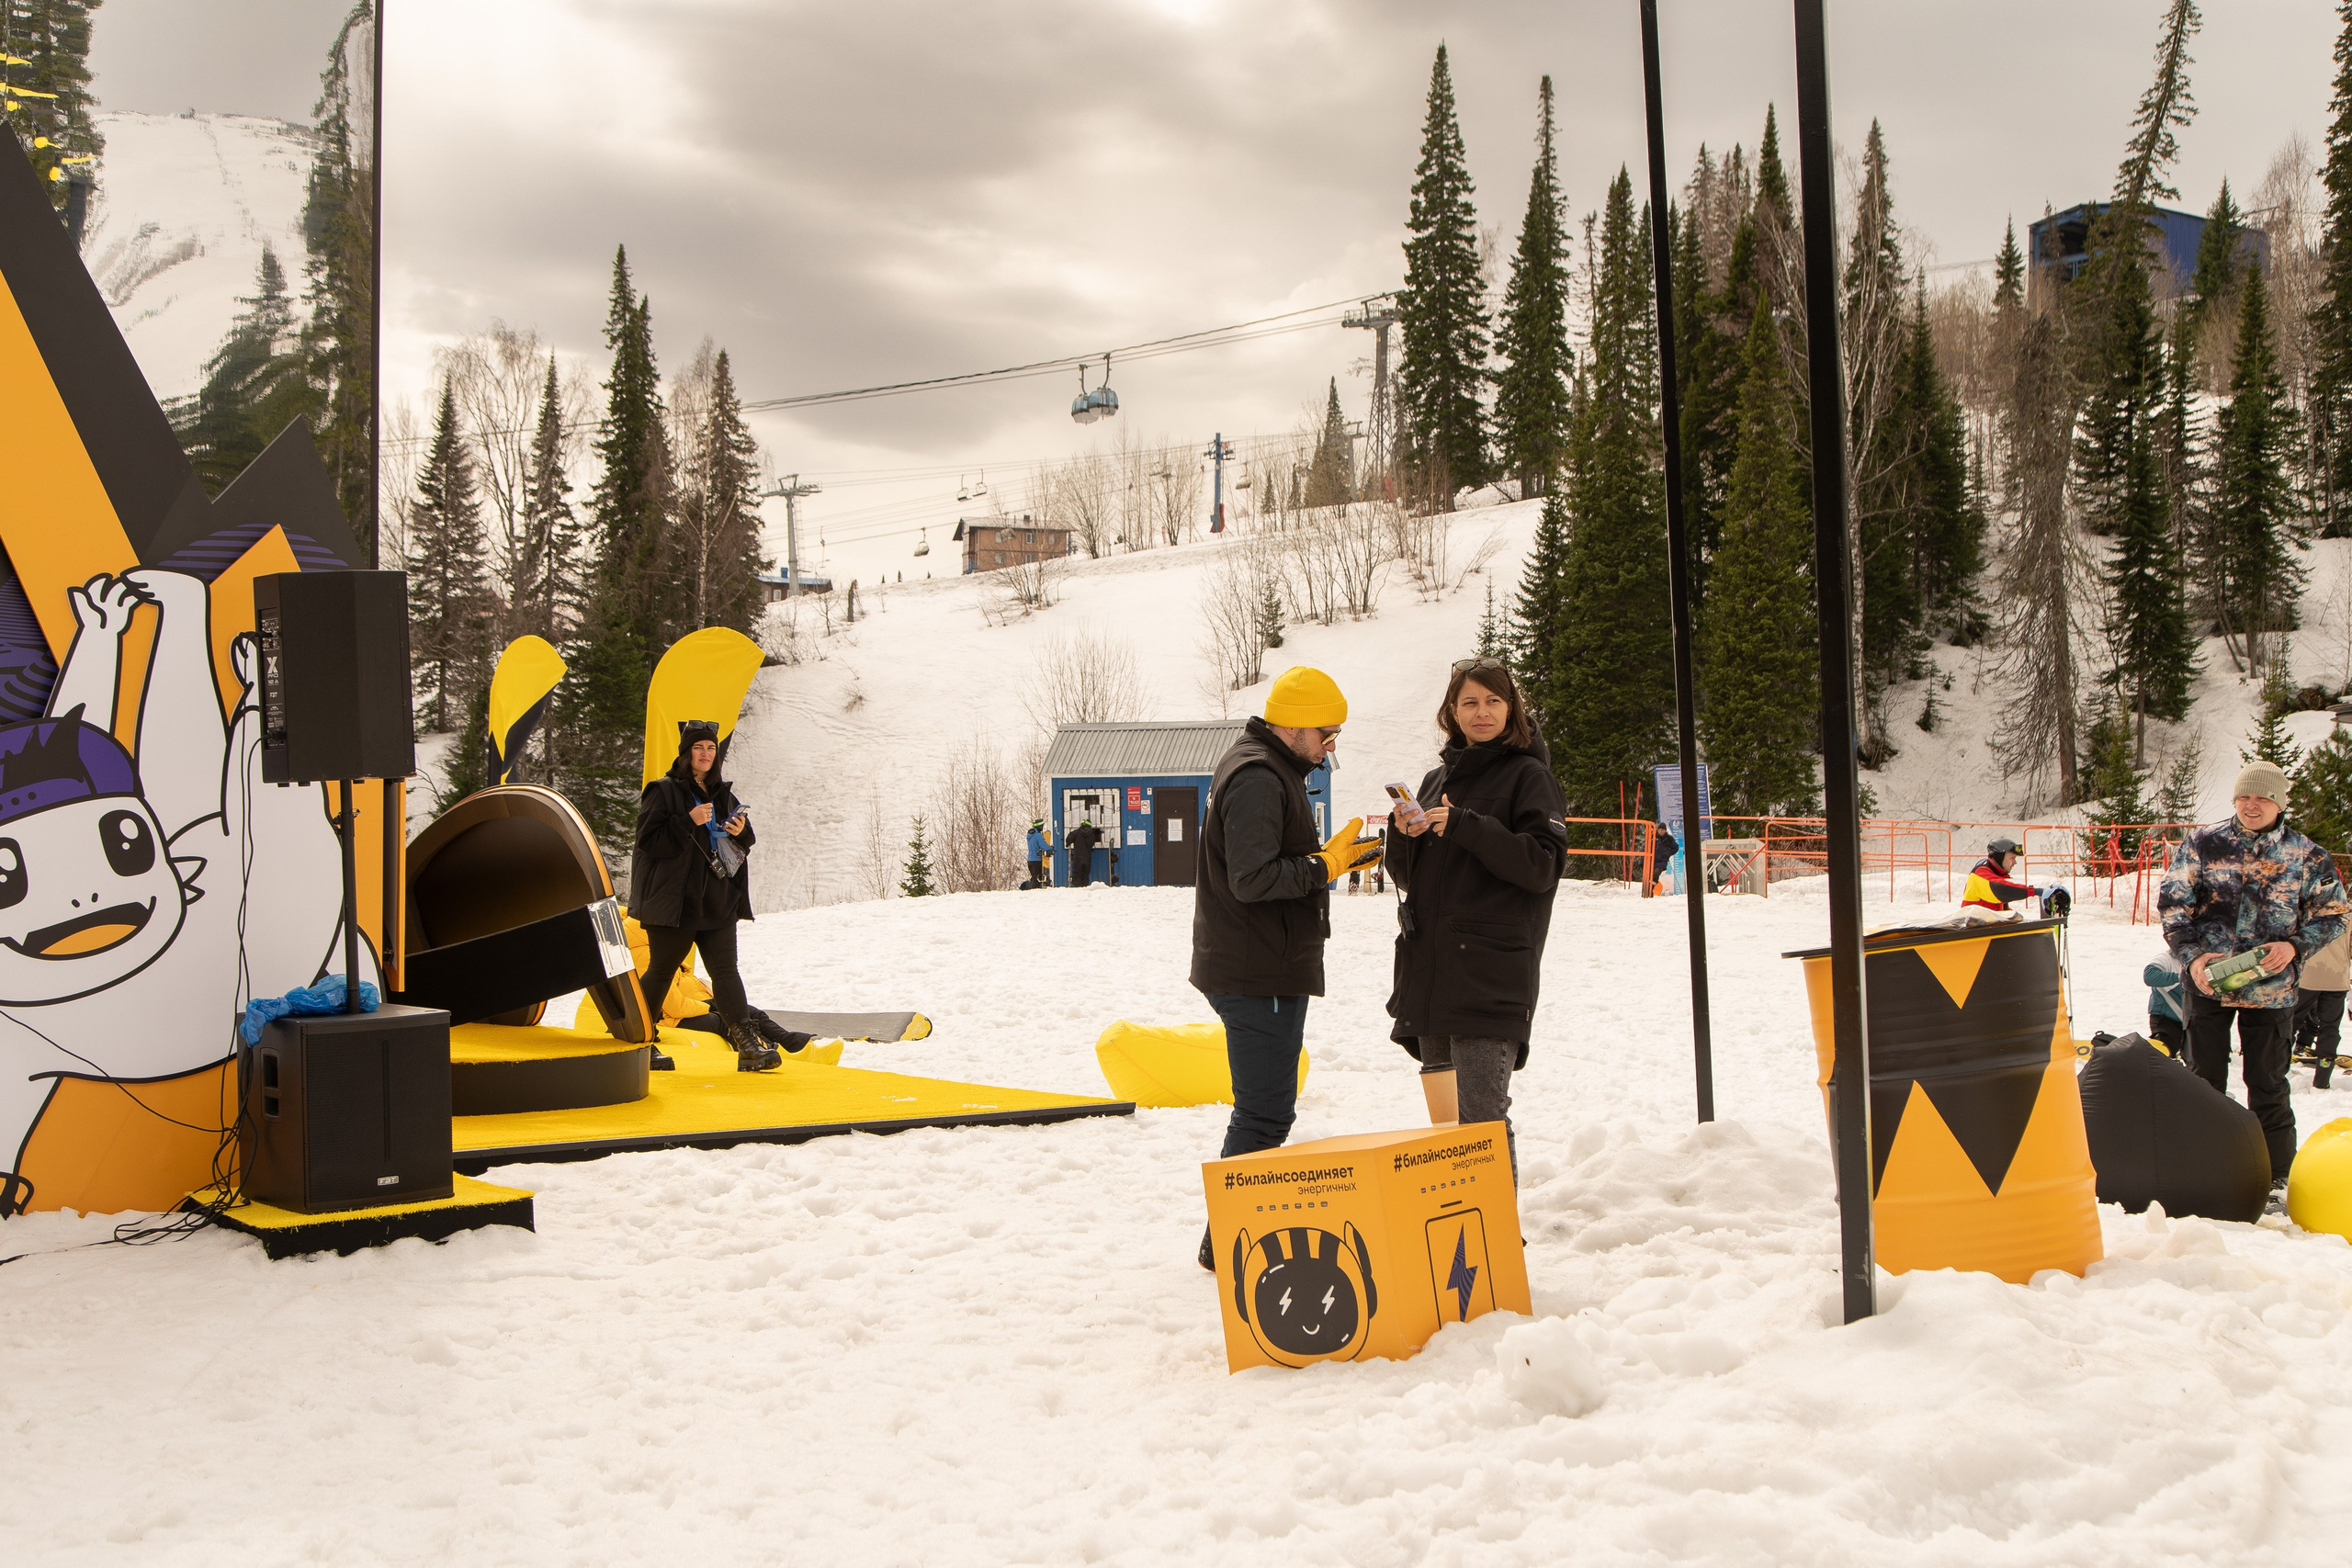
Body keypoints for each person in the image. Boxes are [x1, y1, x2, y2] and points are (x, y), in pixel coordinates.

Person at [1191, 666, 1380, 1269]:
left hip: (1259, 963)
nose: (1331, 747)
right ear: (1294, 724)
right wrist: (1325, 865)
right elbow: (1253, 879)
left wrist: (1331, 859)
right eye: (1327, 734)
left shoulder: (1270, 769)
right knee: (1264, 1111)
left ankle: (1223, 1238)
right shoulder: (1256, 777)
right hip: (1256, 971)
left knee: (1264, 1107)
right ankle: (1224, 1243)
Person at [1383, 657, 1566, 1184]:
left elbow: (1541, 865)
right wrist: (1405, 834)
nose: (1481, 712)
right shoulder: (1438, 778)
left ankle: (1498, 1243)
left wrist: (1466, 825)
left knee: (1482, 1120)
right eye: (1469, 702)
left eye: (1493, 701)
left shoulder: (1530, 776)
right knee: (1447, 1130)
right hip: (1434, 972)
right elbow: (1407, 874)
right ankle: (1460, 1232)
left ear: (1512, 711)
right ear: (1452, 713)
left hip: (1490, 976)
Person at [2158, 761, 2352, 1188]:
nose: (2252, 805)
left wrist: (2294, 946)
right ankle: (2201, 1172)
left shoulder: (2308, 855)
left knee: (2267, 1084)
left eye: (2263, 797)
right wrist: (2192, 957)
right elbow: (2174, 905)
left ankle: (2277, 1177)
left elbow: (2334, 915)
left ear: (2279, 804)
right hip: (2208, 985)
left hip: (2271, 990)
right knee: (2203, 1084)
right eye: (2245, 796)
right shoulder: (2203, 844)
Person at [631, 722, 780, 1072]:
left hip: (717, 899)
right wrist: (688, 820)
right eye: (699, 747)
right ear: (686, 753)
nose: (705, 754)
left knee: (726, 971)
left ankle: (747, 1046)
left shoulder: (723, 794)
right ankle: (639, 1042)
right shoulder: (663, 791)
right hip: (674, 904)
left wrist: (742, 833)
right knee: (662, 970)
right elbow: (648, 841)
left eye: (711, 749)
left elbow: (746, 843)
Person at [2296, 926, 2352, 1089]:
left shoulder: (2306, 906)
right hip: (2336, 977)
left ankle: (2277, 1072)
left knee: (2291, 1023)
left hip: (2308, 975)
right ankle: (2322, 1080)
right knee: (2330, 1028)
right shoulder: (2347, 913)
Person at [1962, 837, 2063, 913]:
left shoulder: (1995, 873)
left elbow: (1995, 909)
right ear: (2000, 857)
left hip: (1985, 930)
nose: (2015, 862)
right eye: (2012, 858)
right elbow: (2000, 889)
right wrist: (2034, 891)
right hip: (1974, 932)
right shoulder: (1981, 873)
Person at [2143, 951, 2187, 1058]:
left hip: (2194, 1020)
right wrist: (2181, 978)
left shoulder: (2207, 958)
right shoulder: (2165, 959)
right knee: (2162, 1055)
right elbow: (2149, 976)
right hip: (2166, 1019)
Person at [1067, 818, 1103, 886]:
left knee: (1077, 875)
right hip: (1087, 857)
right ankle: (1085, 888)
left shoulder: (1076, 832)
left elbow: (1068, 840)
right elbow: (1091, 844)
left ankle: (1078, 890)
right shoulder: (1092, 834)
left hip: (1077, 857)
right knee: (1085, 875)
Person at [1025, 818, 1049, 889]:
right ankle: (1035, 892)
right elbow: (1044, 846)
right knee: (1038, 878)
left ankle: (1033, 889)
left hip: (1030, 859)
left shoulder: (1029, 835)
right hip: (1037, 860)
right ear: (1040, 826)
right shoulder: (1038, 835)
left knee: (1034, 877)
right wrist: (1051, 848)